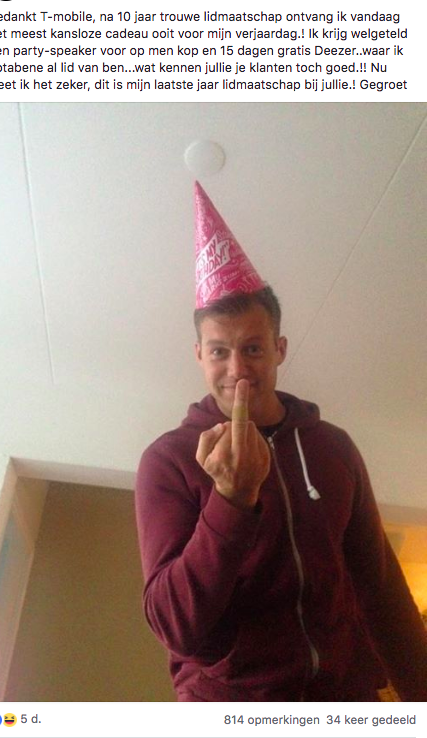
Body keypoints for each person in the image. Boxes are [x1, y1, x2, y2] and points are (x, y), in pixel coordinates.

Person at [135, 182, 427, 702]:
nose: (237, 369)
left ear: (279, 348)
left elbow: (380, 588)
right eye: (219, 351)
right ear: (199, 355)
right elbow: (174, 626)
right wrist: (230, 501)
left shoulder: (334, 447)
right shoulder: (168, 461)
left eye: (253, 348)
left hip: (346, 700)